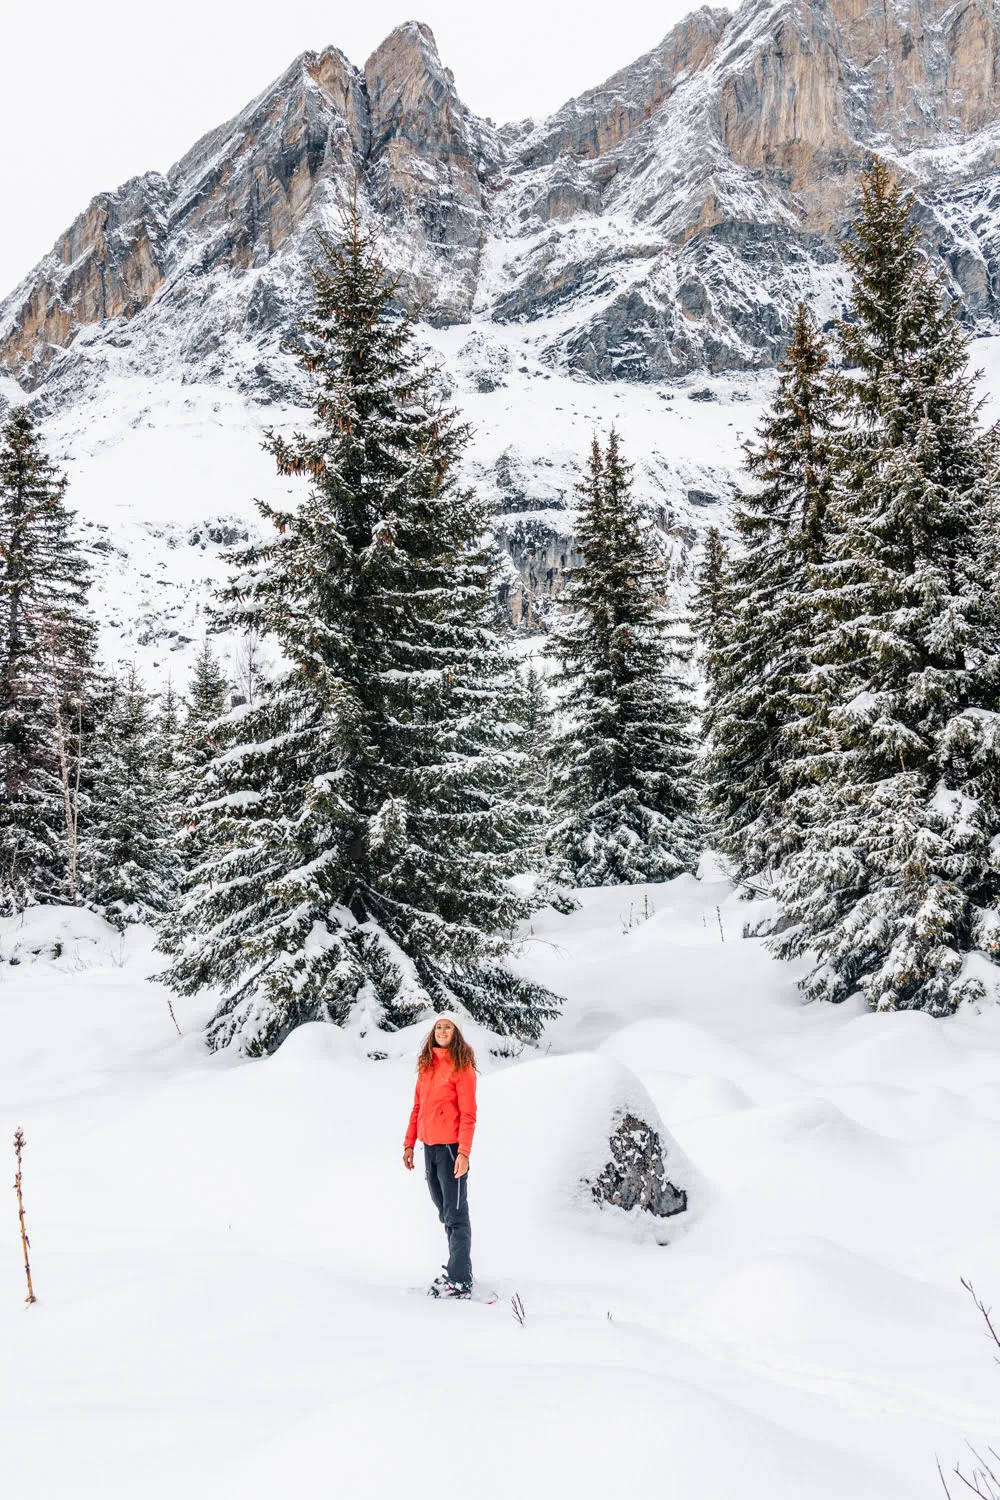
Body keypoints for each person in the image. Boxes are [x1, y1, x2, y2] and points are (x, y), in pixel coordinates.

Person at [403, 1013, 477, 1299]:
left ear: (456, 1033)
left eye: (448, 1026)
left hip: (450, 1150)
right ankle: (459, 1273)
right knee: (445, 1212)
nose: (442, 1030)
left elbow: (469, 1115)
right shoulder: (426, 1068)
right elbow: (416, 1109)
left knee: (457, 1215)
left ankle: (460, 1282)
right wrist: (409, 1144)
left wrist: (464, 1153)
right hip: (430, 1149)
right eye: (438, 1026)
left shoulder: (462, 1069)